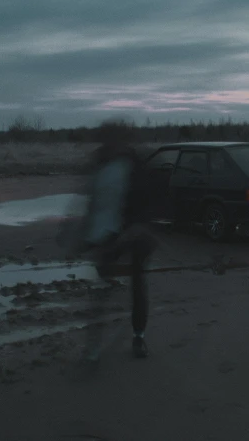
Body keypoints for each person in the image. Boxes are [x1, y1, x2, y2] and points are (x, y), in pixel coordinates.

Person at [76, 122, 156, 360]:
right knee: (101, 286)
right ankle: (94, 346)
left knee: (138, 285)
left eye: (115, 139)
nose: (111, 144)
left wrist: (138, 227)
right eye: (107, 140)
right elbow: (92, 200)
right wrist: (84, 234)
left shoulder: (135, 165)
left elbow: (147, 200)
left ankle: (138, 337)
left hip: (135, 235)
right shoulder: (99, 163)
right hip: (106, 234)